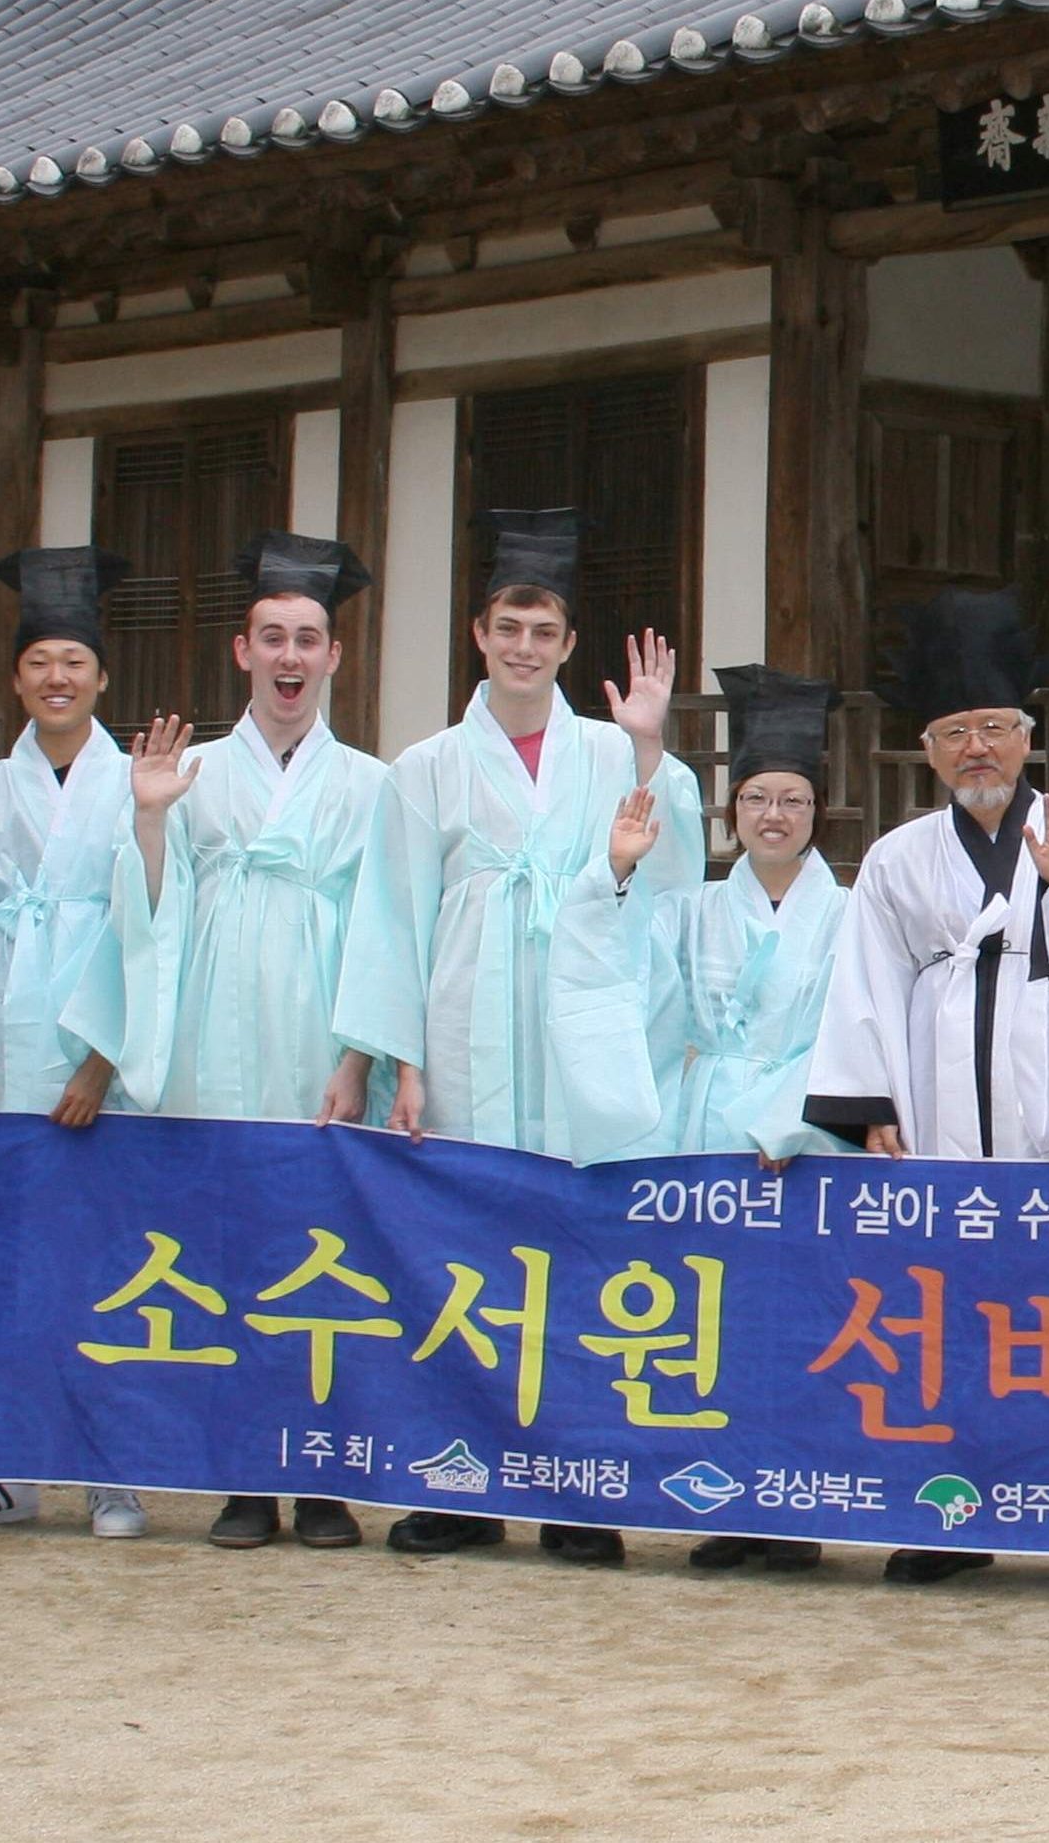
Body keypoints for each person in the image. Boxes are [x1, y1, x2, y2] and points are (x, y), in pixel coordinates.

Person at [333, 506, 698, 1563]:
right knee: (465, 1258)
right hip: (465, 1029)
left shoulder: (603, 749)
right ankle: (461, 1483)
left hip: (574, 1028)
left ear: (569, 645)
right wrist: (396, 1061)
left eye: (545, 632)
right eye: (508, 628)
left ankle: (579, 1490)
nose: (525, 648)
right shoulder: (427, 766)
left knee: (577, 1250)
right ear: (479, 634)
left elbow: (669, 875)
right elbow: (391, 918)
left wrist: (647, 743)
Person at [799, 588, 1049, 1595]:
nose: (977, 750)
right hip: (941, 1104)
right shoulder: (895, 860)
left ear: (1028, 735)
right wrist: (868, 1102)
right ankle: (951, 1513)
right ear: (927, 747)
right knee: (949, 1311)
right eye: (955, 732)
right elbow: (864, 983)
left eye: (995, 729)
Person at [71, 530, 391, 1554]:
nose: (290, 658)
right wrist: (154, 823)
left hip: (317, 1038)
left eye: (308, 639)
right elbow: (147, 917)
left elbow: (385, 927)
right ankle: (245, 1477)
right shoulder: (193, 769)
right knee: (232, 1253)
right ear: (241, 652)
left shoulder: (372, 786)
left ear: (335, 656)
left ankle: (326, 1481)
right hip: (216, 1026)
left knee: (325, 1259)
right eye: (271, 639)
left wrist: (357, 1056)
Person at [0, 544, 149, 1539]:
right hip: (7, 1050)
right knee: (0, 1267)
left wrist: (102, 1059)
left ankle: (112, 1472)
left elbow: (148, 927)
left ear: (102, 677)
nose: (58, 679)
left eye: (75, 663)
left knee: (106, 1264)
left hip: (95, 1051)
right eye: (40, 662)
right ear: (16, 678)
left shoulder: (135, 779)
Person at [640, 664, 850, 1574]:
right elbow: (650, 1011)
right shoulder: (689, 914)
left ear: (817, 812)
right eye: (757, 798)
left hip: (798, 1146)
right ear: (732, 813)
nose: (774, 815)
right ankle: (725, 1501)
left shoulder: (850, 916)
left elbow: (853, 1031)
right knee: (712, 1323)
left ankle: (796, 1509)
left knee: (797, 1326)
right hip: (702, 1134)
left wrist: (781, 1122)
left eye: (793, 800)